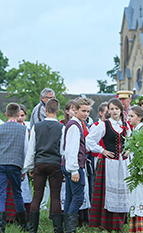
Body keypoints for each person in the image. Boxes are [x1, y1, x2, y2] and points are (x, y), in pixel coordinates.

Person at [86, 98, 131, 232]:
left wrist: (129, 149)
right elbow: (89, 140)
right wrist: (102, 150)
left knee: (121, 191)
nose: (114, 111)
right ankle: (106, 224)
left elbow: (132, 142)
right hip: (109, 164)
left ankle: (119, 224)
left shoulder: (126, 125)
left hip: (123, 164)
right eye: (111, 109)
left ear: (121, 110)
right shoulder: (104, 125)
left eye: (116, 109)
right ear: (108, 111)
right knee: (108, 194)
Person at [24, 98, 65, 233]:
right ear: (58, 111)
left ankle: (32, 229)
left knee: (37, 196)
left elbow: (32, 149)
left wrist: (29, 167)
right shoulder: (62, 128)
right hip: (55, 164)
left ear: (45, 110)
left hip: (40, 163)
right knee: (55, 197)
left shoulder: (36, 127)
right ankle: (58, 229)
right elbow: (63, 151)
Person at [0, 103, 29, 232]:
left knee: (1, 194)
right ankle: (23, 225)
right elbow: (25, 151)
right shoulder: (23, 129)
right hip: (15, 164)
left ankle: (1, 227)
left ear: (6, 114)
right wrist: (24, 170)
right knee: (17, 193)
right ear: (18, 115)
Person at [61, 97, 94, 233]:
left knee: (69, 197)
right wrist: (74, 170)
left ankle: (68, 228)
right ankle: (70, 229)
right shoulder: (74, 126)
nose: (86, 114)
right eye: (83, 111)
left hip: (68, 165)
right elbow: (71, 150)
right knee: (78, 197)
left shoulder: (75, 124)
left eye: (88, 111)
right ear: (75, 110)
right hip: (73, 166)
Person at [30, 88, 55, 212]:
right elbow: (42, 130)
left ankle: (41, 204)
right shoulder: (40, 110)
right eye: (49, 97)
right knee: (42, 182)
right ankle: (41, 205)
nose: (52, 99)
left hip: (43, 149)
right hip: (42, 149)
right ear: (43, 98)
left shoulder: (45, 109)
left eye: (53, 97)